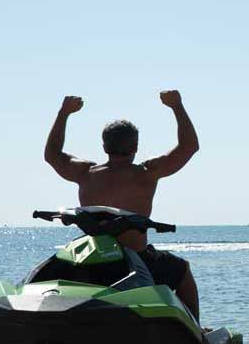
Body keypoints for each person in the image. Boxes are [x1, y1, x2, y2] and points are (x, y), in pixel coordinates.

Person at [43, 91, 202, 320]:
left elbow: (52, 154)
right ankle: (196, 334)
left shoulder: (86, 173)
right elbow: (189, 146)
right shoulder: (147, 173)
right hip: (137, 257)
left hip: (91, 257)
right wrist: (176, 106)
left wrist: (64, 113)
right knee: (182, 270)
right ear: (135, 147)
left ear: (104, 146)